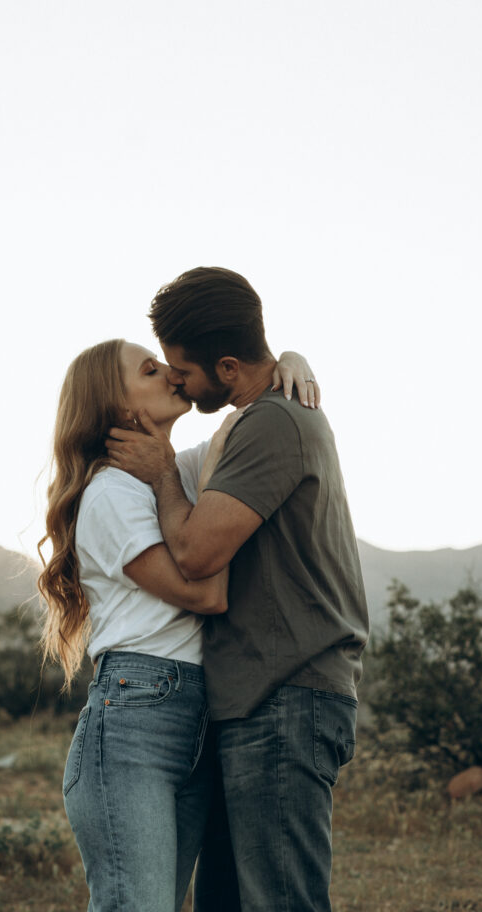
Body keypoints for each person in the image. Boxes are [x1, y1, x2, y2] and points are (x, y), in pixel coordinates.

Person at [106, 267, 369, 912]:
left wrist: (164, 473)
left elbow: (196, 553)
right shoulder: (255, 421)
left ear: (226, 367)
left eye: (183, 371)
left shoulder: (273, 425)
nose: (176, 381)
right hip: (257, 698)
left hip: (287, 694)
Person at [37, 338, 317, 912]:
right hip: (135, 716)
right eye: (150, 369)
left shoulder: (174, 476)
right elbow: (207, 593)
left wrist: (289, 360)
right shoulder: (110, 494)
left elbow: (239, 428)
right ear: (118, 408)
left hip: (194, 716)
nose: (173, 374)